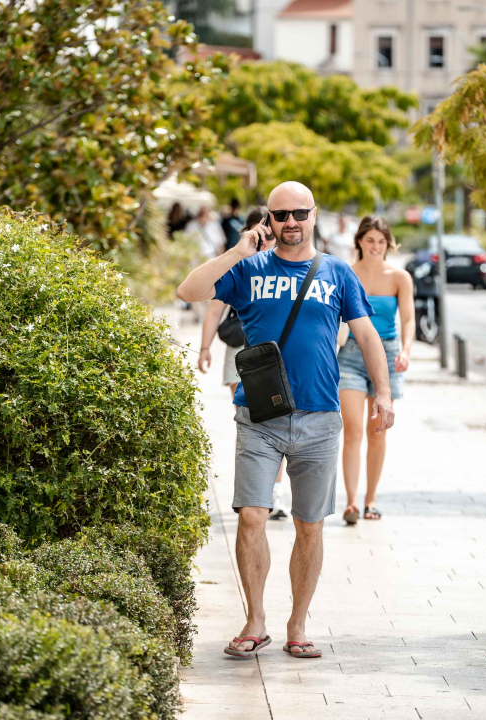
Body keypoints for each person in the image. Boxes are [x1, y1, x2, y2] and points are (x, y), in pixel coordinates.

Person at [177, 181, 394, 660]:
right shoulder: (248, 269)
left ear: (314, 216)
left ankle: (297, 623)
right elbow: (189, 290)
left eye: (299, 213)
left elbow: (367, 335)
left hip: (319, 418)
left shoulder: (337, 273)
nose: (290, 222)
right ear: (268, 221)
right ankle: (255, 620)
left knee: (309, 525)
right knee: (252, 515)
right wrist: (237, 250)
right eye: (280, 215)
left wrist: (383, 392)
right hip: (259, 416)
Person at [198, 208, 289, 520]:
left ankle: (272, 492)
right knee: (249, 417)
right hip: (239, 353)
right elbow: (213, 310)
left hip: (270, 354)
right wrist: (204, 347)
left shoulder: (282, 266)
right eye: (256, 233)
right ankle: (252, 490)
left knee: (273, 417)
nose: (261, 240)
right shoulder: (236, 266)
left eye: (267, 235)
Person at [338, 216, 414, 524]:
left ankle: (371, 501)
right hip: (351, 356)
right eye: (370, 240)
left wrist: (407, 351)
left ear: (388, 244)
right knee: (353, 430)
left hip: (387, 356)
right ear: (359, 242)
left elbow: (408, 320)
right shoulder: (346, 273)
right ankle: (352, 502)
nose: (376, 247)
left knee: (377, 432)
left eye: (381, 241)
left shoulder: (399, 277)